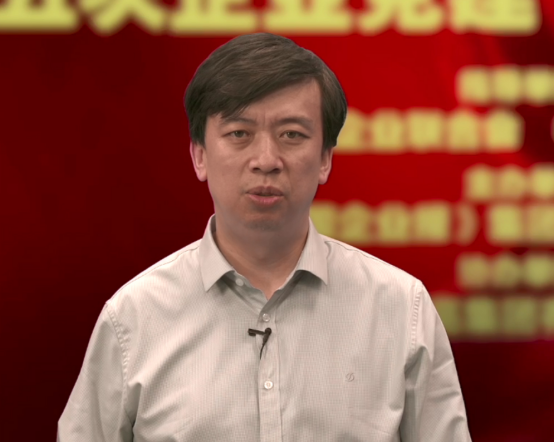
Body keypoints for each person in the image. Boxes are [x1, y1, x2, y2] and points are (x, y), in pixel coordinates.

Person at [58, 33, 472, 442]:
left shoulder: (401, 309)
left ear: (325, 158)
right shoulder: (133, 318)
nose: (266, 161)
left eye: (291, 134)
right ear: (199, 154)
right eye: (239, 133)